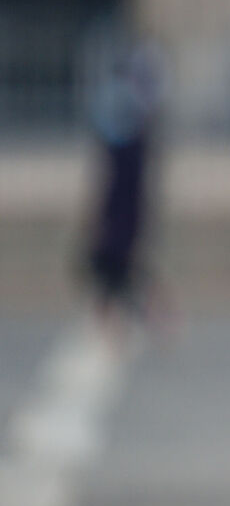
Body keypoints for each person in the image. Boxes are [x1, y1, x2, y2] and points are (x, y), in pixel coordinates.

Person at [82, 36, 164, 320]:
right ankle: (129, 317)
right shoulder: (131, 99)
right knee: (120, 270)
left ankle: (123, 316)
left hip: (121, 187)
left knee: (117, 271)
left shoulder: (116, 97)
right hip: (127, 186)